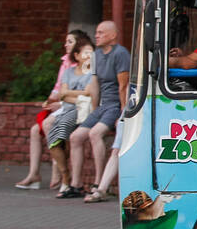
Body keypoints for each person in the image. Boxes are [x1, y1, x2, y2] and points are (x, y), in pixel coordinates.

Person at [16, 29, 89, 190]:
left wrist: (61, 103)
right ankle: (34, 174)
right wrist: (49, 100)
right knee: (35, 130)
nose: (66, 45)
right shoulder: (65, 63)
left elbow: (85, 93)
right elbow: (58, 88)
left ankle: (59, 171)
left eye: (70, 42)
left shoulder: (84, 64)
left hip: (76, 108)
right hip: (64, 106)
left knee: (49, 124)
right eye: (66, 41)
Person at [66, 21, 130, 200]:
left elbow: (123, 85)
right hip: (103, 106)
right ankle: (76, 184)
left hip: (117, 105)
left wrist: (123, 113)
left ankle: (98, 182)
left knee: (95, 134)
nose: (97, 35)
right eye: (97, 32)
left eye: (101, 32)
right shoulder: (96, 55)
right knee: (76, 137)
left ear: (112, 35)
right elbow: (94, 84)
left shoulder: (121, 54)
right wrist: (94, 112)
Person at [47, 38, 97, 198]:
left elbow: (90, 93)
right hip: (68, 108)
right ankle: (64, 175)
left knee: (60, 129)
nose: (90, 56)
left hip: (82, 111)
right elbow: (62, 94)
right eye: (86, 53)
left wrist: (69, 94)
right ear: (76, 55)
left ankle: (68, 180)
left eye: (92, 52)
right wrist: (78, 95)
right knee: (53, 136)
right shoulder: (68, 72)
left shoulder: (93, 72)